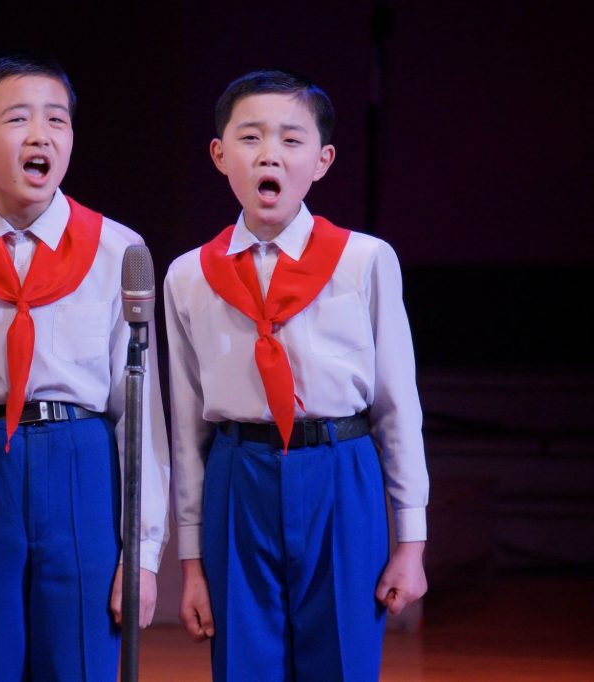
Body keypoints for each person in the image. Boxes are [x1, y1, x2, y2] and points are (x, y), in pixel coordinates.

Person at [0, 50, 171, 681]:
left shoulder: (116, 249)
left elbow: (139, 418)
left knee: (79, 660)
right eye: (19, 119)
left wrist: (144, 553)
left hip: (81, 461)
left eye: (58, 120)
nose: (42, 135)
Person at [164, 69, 429, 680]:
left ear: (323, 160)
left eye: (291, 139)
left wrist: (410, 543)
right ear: (220, 154)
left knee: (341, 660)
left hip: (341, 469)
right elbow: (185, 430)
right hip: (239, 474)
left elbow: (397, 405)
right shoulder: (187, 276)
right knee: (243, 665)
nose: (270, 155)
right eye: (251, 137)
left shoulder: (364, 260)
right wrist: (193, 562)